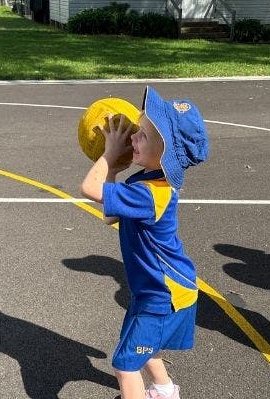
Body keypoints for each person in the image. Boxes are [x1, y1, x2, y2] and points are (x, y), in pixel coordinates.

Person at [80, 86, 209, 399]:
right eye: (136, 130)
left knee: (125, 365)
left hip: (163, 294)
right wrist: (114, 169)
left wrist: (109, 155)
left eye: (143, 136)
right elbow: (111, 216)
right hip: (154, 289)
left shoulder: (150, 194)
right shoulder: (144, 182)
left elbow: (88, 188)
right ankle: (165, 391)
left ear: (163, 156)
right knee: (145, 349)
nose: (133, 137)